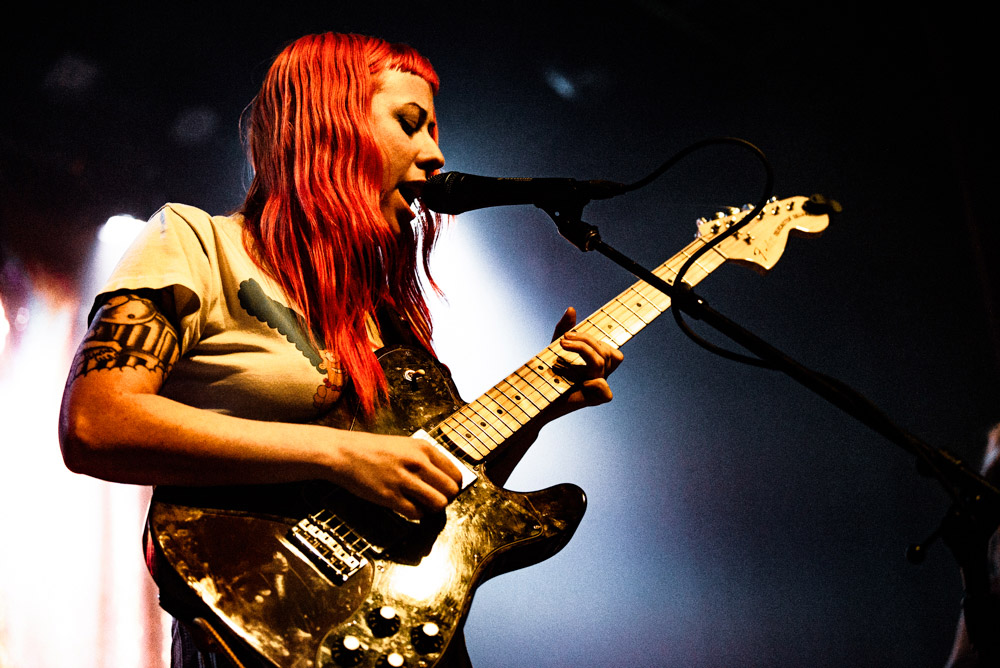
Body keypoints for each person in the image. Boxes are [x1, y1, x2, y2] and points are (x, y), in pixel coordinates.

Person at [58, 32, 623, 668]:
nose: (436, 156)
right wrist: (341, 454)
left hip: (401, 635)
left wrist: (542, 409)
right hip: (250, 629)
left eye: (435, 131)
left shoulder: (384, 313)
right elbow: (95, 423)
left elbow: (449, 495)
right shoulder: (195, 242)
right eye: (410, 124)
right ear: (328, 127)